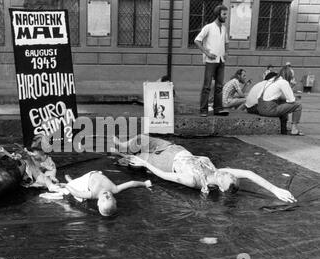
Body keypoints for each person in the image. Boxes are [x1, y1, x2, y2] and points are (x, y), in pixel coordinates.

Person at [111, 134, 296, 203]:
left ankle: (119, 154)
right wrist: (274, 189)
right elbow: (249, 173)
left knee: (132, 158)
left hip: (165, 162)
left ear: (222, 187)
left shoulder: (194, 180)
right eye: (228, 173)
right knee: (142, 139)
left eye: (226, 177)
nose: (226, 172)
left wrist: (145, 164)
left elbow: (164, 176)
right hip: (175, 149)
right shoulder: (218, 172)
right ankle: (121, 146)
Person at [194, 5, 230, 117]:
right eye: (224, 14)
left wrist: (226, 52)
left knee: (219, 86)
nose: (226, 16)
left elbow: (226, 42)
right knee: (207, 86)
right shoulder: (208, 27)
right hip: (211, 61)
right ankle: (203, 110)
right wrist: (207, 53)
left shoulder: (224, 29)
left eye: (226, 14)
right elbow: (197, 40)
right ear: (218, 14)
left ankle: (218, 109)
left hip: (221, 61)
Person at [64, 171, 152, 217]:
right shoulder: (115, 189)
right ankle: (72, 181)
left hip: (87, 179)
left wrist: (67, 186)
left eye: (103, 200)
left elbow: (77, 193)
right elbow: (132, 183)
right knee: (79, 189)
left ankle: (70, 181)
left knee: (79, 193)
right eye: (109, 198)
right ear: (114, 199)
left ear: (98, 202)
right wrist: (144, 184)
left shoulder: (93, 194)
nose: (106, 196)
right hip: (97, 173)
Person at [255, 65, 304, 136]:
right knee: (298, 105)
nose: (293, 78)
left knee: (282, 101)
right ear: (289, 76)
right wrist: (291, 86)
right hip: (269, 109)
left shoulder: (273, 79)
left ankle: (283, 128)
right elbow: (291, 100)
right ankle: (294, 129)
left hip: (260, 107)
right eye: (292, 76)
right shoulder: (283, 82)